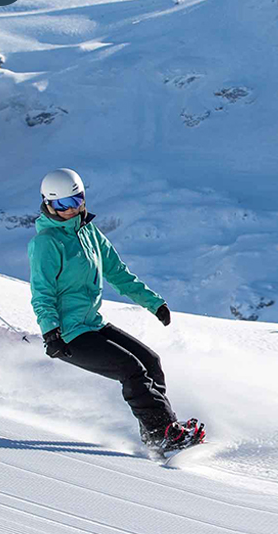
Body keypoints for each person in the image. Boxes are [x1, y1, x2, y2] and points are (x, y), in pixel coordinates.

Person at [26, 168, 204, 453]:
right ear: (49, 205)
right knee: (131, 369)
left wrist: (154, 303)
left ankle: (155, 432)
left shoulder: (89, 233)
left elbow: (118, 274)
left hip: (93, 324)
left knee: (151, 362)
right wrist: (51, 333)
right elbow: (42, 293)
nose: (71, 210)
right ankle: (163, 434)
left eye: (76, 201)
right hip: (69, 333)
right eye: (62, 205)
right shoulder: (46, 244)